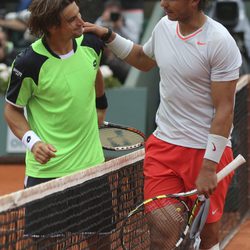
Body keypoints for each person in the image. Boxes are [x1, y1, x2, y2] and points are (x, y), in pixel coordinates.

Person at [83, 0, 242, 249]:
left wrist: (209, 167)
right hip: (164, 150)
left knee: (207, 237)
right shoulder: (163, 27)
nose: (163, 3)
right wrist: (109, 36)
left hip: (206, 154)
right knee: (162, 236)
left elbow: (225, 109)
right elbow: (143, 59)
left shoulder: (220, 42)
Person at [4, 0, 112, 249]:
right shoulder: (28, 63)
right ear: (52, 27)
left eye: (79, 14)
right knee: (44, 245)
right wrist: (33, 142)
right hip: (47, 174)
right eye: (72, 19)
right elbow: (12, 110)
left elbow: (94, 71)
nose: (81, 21)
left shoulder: (91, 43)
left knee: (101, 242)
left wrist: (101, 106)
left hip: (91, 167)